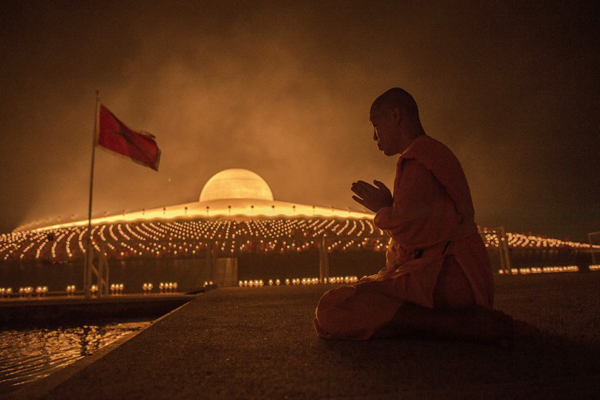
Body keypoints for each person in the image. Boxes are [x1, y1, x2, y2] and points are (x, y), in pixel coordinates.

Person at [313, 88, 537, 346]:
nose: (374, 136)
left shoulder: (419, 158)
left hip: (446, 279)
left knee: (332, 309)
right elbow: (429, 221)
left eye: (376, 125)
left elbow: (414, 234)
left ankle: (454, 325)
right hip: (460, 274)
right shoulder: (431, 154)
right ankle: (440, 324)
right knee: (345, 306)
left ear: (395, 116)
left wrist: (384, 210)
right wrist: (392, 206)